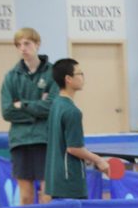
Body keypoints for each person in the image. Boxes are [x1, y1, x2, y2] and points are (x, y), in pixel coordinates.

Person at [0, 27, 58, 205]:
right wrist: (36, 110)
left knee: (46, 194)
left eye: (27, 43)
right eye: (18, 45)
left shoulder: (53, 73)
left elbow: (52, 107)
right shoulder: (11, 77)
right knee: (25, 196)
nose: (22, 48)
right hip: (20, 141)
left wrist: (23, 105)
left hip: (45, 139)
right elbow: (7, 111)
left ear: (37, 44)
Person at [44, 59, 109, 199]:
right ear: (68, 79)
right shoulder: (72, 111)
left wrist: (86, 157)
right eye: (80, 73)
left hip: (55, 179)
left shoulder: (55, 104)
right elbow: (74, 148)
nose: (83, 77)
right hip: (70, 182)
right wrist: (98, 160)